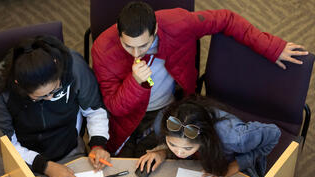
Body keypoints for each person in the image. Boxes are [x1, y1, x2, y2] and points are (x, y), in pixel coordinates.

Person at [91, 1, 308, 156]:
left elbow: (226, 19)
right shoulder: (103, 48)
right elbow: (115, 107)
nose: (136, 54)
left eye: (143, 45)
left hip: (172, 108)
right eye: (128, 45)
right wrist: (135, 82)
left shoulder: (178, 23)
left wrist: (271, 47)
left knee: (168, 166)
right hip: (128, 118)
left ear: (155, 29)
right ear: (119, 35)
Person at [0, 35, 110, 177]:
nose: (51, 97)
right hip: (9, 152)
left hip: (64, 146)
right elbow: (6, 146)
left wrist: (98, 144)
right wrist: (45, 166)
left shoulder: (73, 66)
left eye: (56, 90)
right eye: (42, 96)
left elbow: (94, 110)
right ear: (18, 85)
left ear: (56, 64)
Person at [136, 96, 281, 177]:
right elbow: (174, 145)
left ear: (204, 138)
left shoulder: (235, 138)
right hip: (200, 163)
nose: (179, 153)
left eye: (188, 148)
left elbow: (275, 133)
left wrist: (237, 164)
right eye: (172, 144)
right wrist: (162, 151)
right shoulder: (162, 121)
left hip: (233, 159)